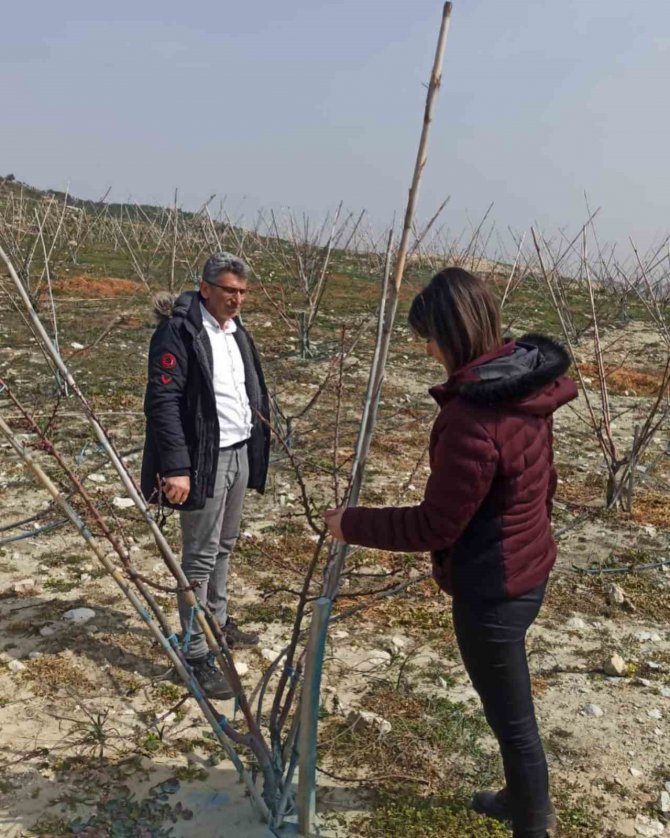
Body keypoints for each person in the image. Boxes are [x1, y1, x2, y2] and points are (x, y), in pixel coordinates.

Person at [325, 267, 577, 838]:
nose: (427, 351)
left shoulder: (472, 419)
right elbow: (543, 481)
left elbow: (435, 525)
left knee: (511, 718)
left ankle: (532, 821)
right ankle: (520, 797)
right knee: (509, 707)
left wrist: (350, 524)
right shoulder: (524, 386)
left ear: (451, 334)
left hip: (494, 590)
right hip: (528, 565)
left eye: (430, 338)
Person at [141, 252, 270, 699]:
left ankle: (217, 621)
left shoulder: (235, 331)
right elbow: (163, 403)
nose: (237, 299)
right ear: (205, 288)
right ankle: (196, 652)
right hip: (202, 460)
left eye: (242, 292)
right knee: (199, 555)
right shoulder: (178, 331)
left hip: (239, 451)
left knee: (225, 545)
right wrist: (177, 468)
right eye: (229, 290)